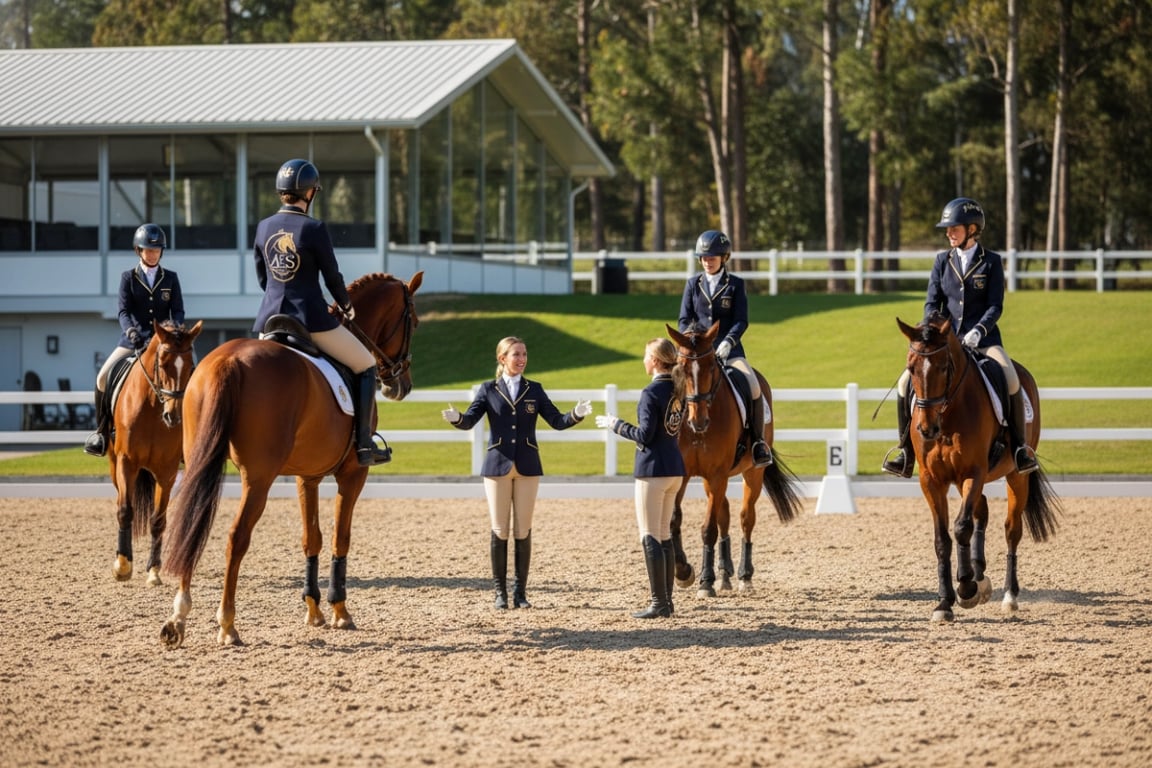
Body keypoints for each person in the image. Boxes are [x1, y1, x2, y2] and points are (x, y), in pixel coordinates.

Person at [882, 196, 1038, 478]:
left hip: (985, 341)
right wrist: (932, 328)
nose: (948, 232)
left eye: (954, 227)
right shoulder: (942, 261)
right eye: (947, 228)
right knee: (906, 383)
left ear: (972, 229)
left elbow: (995, 305)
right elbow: (932, 303)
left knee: (1011, 377)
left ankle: (1019, 448)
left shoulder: (991, 262)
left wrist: (979, 330)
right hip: (946, 343)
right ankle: (905, 451)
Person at [252, 158, 390, 467]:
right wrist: (346, 305)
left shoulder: (263, 227)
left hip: (269, 320)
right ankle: (365, 444)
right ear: (310, 193)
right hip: (310, 319)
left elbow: (264, 278)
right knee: (366, 364)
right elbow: (331, 275)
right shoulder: (314, 228)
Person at [441, 336, 593, 609]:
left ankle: (520, 593)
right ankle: (500, 593)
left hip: (528, 465)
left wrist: (576, 415)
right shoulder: (488, 389)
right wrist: (458, 419)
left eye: (524, 354)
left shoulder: (535, 389)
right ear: (502, 359)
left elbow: (557, 421)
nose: (522, 359)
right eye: (516, 355)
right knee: (500, 529)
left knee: (522, 529)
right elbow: (470, 421)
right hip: (497, 466)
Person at [596, 338, 686, 619]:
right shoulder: (678, 389)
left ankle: (659, 602)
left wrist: (616, 425)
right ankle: (667, 601)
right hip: (674, 469)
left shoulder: (651, 393)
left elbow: (645, 436)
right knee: (664, 535)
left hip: (654, 471)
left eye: (647, 356)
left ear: (656, 361)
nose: (644, 360)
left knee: (649, 535)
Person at [83, 223, 185, 457]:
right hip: (133, 342)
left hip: (164, 344)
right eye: (148, 250)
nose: (153, 254)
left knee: (190, 373)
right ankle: (102, 432)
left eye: (157, 250)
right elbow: (123, 311)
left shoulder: (170, 278)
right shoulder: (128, 278)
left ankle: (187, 434)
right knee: (101, 378)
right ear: (138, 251)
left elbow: (178, 311)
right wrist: (131, 331)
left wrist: (175, 331)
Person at [678, 229, 772, 467]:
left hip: (729, 352)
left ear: (724, 258)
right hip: (699, 353)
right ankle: (669, 436)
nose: (707, 261)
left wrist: (728, 342)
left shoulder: (736, 285)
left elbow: (741, 320)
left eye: (712, 257)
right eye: (704, 258)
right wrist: (693, 340)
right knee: (674, 384)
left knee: (753, 386)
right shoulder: (692, 284)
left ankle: (758, 443)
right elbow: (683, 320)